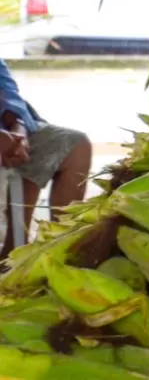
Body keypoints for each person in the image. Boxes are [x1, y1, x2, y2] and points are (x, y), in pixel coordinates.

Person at [0, 59, 91, 259]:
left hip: (7, 132)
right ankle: (13, 250)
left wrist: (19, 132)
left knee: (76, 145)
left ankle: (58, 248)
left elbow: (8, 93)